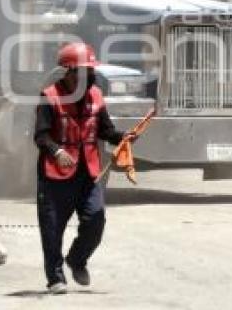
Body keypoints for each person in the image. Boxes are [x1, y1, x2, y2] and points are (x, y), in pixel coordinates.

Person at [34, 42, 135, 294]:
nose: (89, 77)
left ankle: (77, 259)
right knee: (52, 228)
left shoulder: (96, 96)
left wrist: (123, 137)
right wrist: (57, 151)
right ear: (68, 73)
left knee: (96, 219)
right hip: (56, 175)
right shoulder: (50, 97)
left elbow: (105, 130)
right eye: (83, 72)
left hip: (89, 172)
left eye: (90, 72)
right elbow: (41, 136)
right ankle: (55, 277)